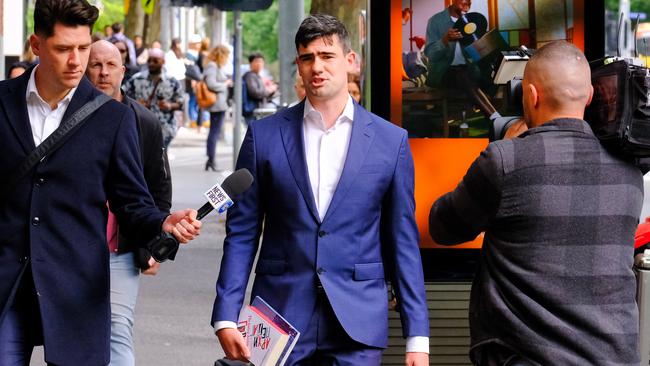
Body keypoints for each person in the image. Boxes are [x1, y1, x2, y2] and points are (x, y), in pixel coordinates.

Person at [212, 14, 430, 366]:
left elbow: (402, 242)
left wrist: (417, 336)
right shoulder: (263, 136)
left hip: (357, 323)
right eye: (307, 57)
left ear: (350, 61)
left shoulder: (391, 142)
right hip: (277, 317)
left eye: (327, 56)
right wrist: (225, 314)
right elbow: (241, 232)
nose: (317, 66)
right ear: (298, 64)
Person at [0, 1, 201, 365]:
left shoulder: (112, 119)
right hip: (6, 284)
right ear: (36, 45)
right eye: (63, 49)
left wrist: (162, 221)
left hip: (75, 286)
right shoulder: (0, 103)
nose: (77, 60)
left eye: (83, 48)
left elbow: (131, 202)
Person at [429, 41, 642, 365]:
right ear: (588, 96)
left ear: (531, 95)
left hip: (526, 357)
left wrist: (509, 144)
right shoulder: (629, 174)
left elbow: (443, 227)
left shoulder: (506, 161)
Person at [86, 39, 172, 366]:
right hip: (73, 247)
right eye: (96, 65)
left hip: (121, 250)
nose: (103, 72)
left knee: (118, 327)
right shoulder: (68, 118)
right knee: (75, 335)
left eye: (111, 65)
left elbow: (158, 187)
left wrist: (154, 246)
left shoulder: (143, 122)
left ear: (123, 70)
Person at [423, 0, 497, 119]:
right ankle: (493, 117)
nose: (467, 5)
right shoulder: (435, 21)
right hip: (443, 73)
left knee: (494, 69)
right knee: (460, 73)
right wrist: (444, 40)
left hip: (470, 71)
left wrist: (486, 44)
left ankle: (492, 115)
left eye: (469, 2)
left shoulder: (473, 21)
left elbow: (478, 55)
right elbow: (430, 55)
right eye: (463, 1)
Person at [124, 48, 184, 148]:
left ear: (163, 62)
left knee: (160, 159)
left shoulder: (172, 81)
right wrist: (136, 104)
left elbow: (181, 102)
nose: (151, 63)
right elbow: (121, 95)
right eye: (149, 60)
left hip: (165, 128)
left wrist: (169, 105)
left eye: (155, 61)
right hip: (141, 127)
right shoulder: (137, 78)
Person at [203, 44, 232, 172]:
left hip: (219, 104)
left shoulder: (213, 66)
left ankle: (211, 159)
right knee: (214, 132)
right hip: (217, 104)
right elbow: (211, 84)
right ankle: (211, 159)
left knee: (214, 132)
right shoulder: (212, 66)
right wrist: (225, 84)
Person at [243, 52, 277, 124]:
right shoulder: (250, 76)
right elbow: (255, 92)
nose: (259, 64)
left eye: (261, 62)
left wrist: (272, 90)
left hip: (258, 110)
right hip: (253, 111)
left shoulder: (256, 76)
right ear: (250, 63)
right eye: (256, 61)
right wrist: (269, 90)